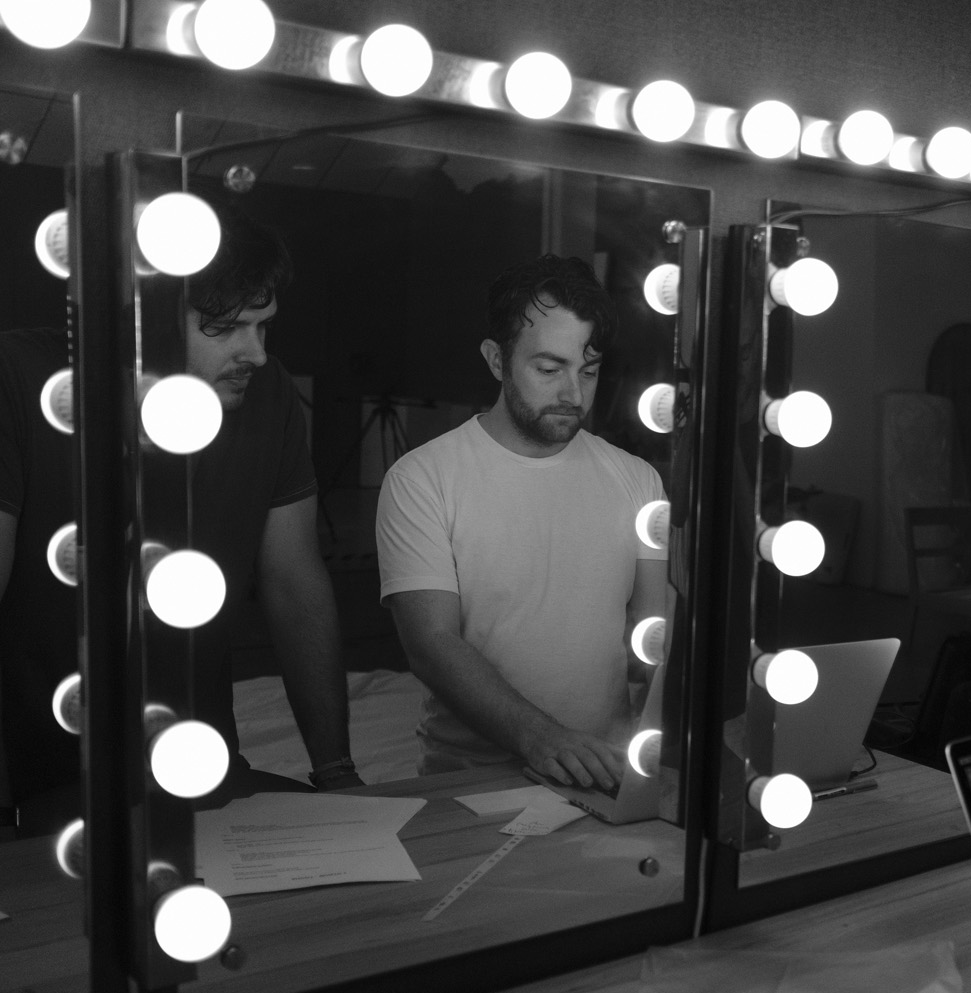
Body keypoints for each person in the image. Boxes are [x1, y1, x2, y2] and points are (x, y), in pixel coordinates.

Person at [0, 200, 361, 840]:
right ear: (137, 319)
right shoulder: (21, 382)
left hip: (198, 776)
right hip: (35, 784)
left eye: (265, 325)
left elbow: (294, 584)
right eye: (224, 329)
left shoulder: (268, 393)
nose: (255, 351)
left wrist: (334, 770)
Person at [376, 254, 666, 789]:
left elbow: (657, 639)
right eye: (549, 369)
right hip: (469, 780)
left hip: (607, 773)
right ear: (496, 359)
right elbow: (432, 646)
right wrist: (546, 739)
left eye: (589, 371)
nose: (573, 395)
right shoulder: (422, 479)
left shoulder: (637, 481)